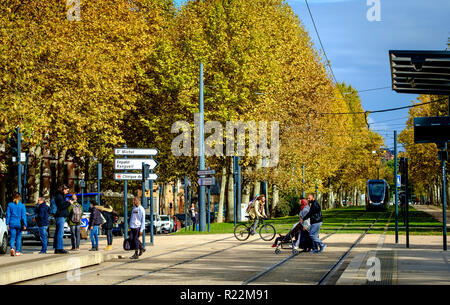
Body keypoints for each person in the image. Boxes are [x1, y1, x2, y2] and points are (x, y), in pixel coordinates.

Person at [54, 185, 71, 254]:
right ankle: (59, 248)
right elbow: (61, 206)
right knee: (60, 233)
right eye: (67, 190)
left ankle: (57, 247)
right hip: (60, 215)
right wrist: (69, 203)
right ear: (63, 189)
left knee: (58, 232)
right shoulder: (60, 196)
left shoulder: (59, 195)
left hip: (59, 215)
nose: (67, 192)